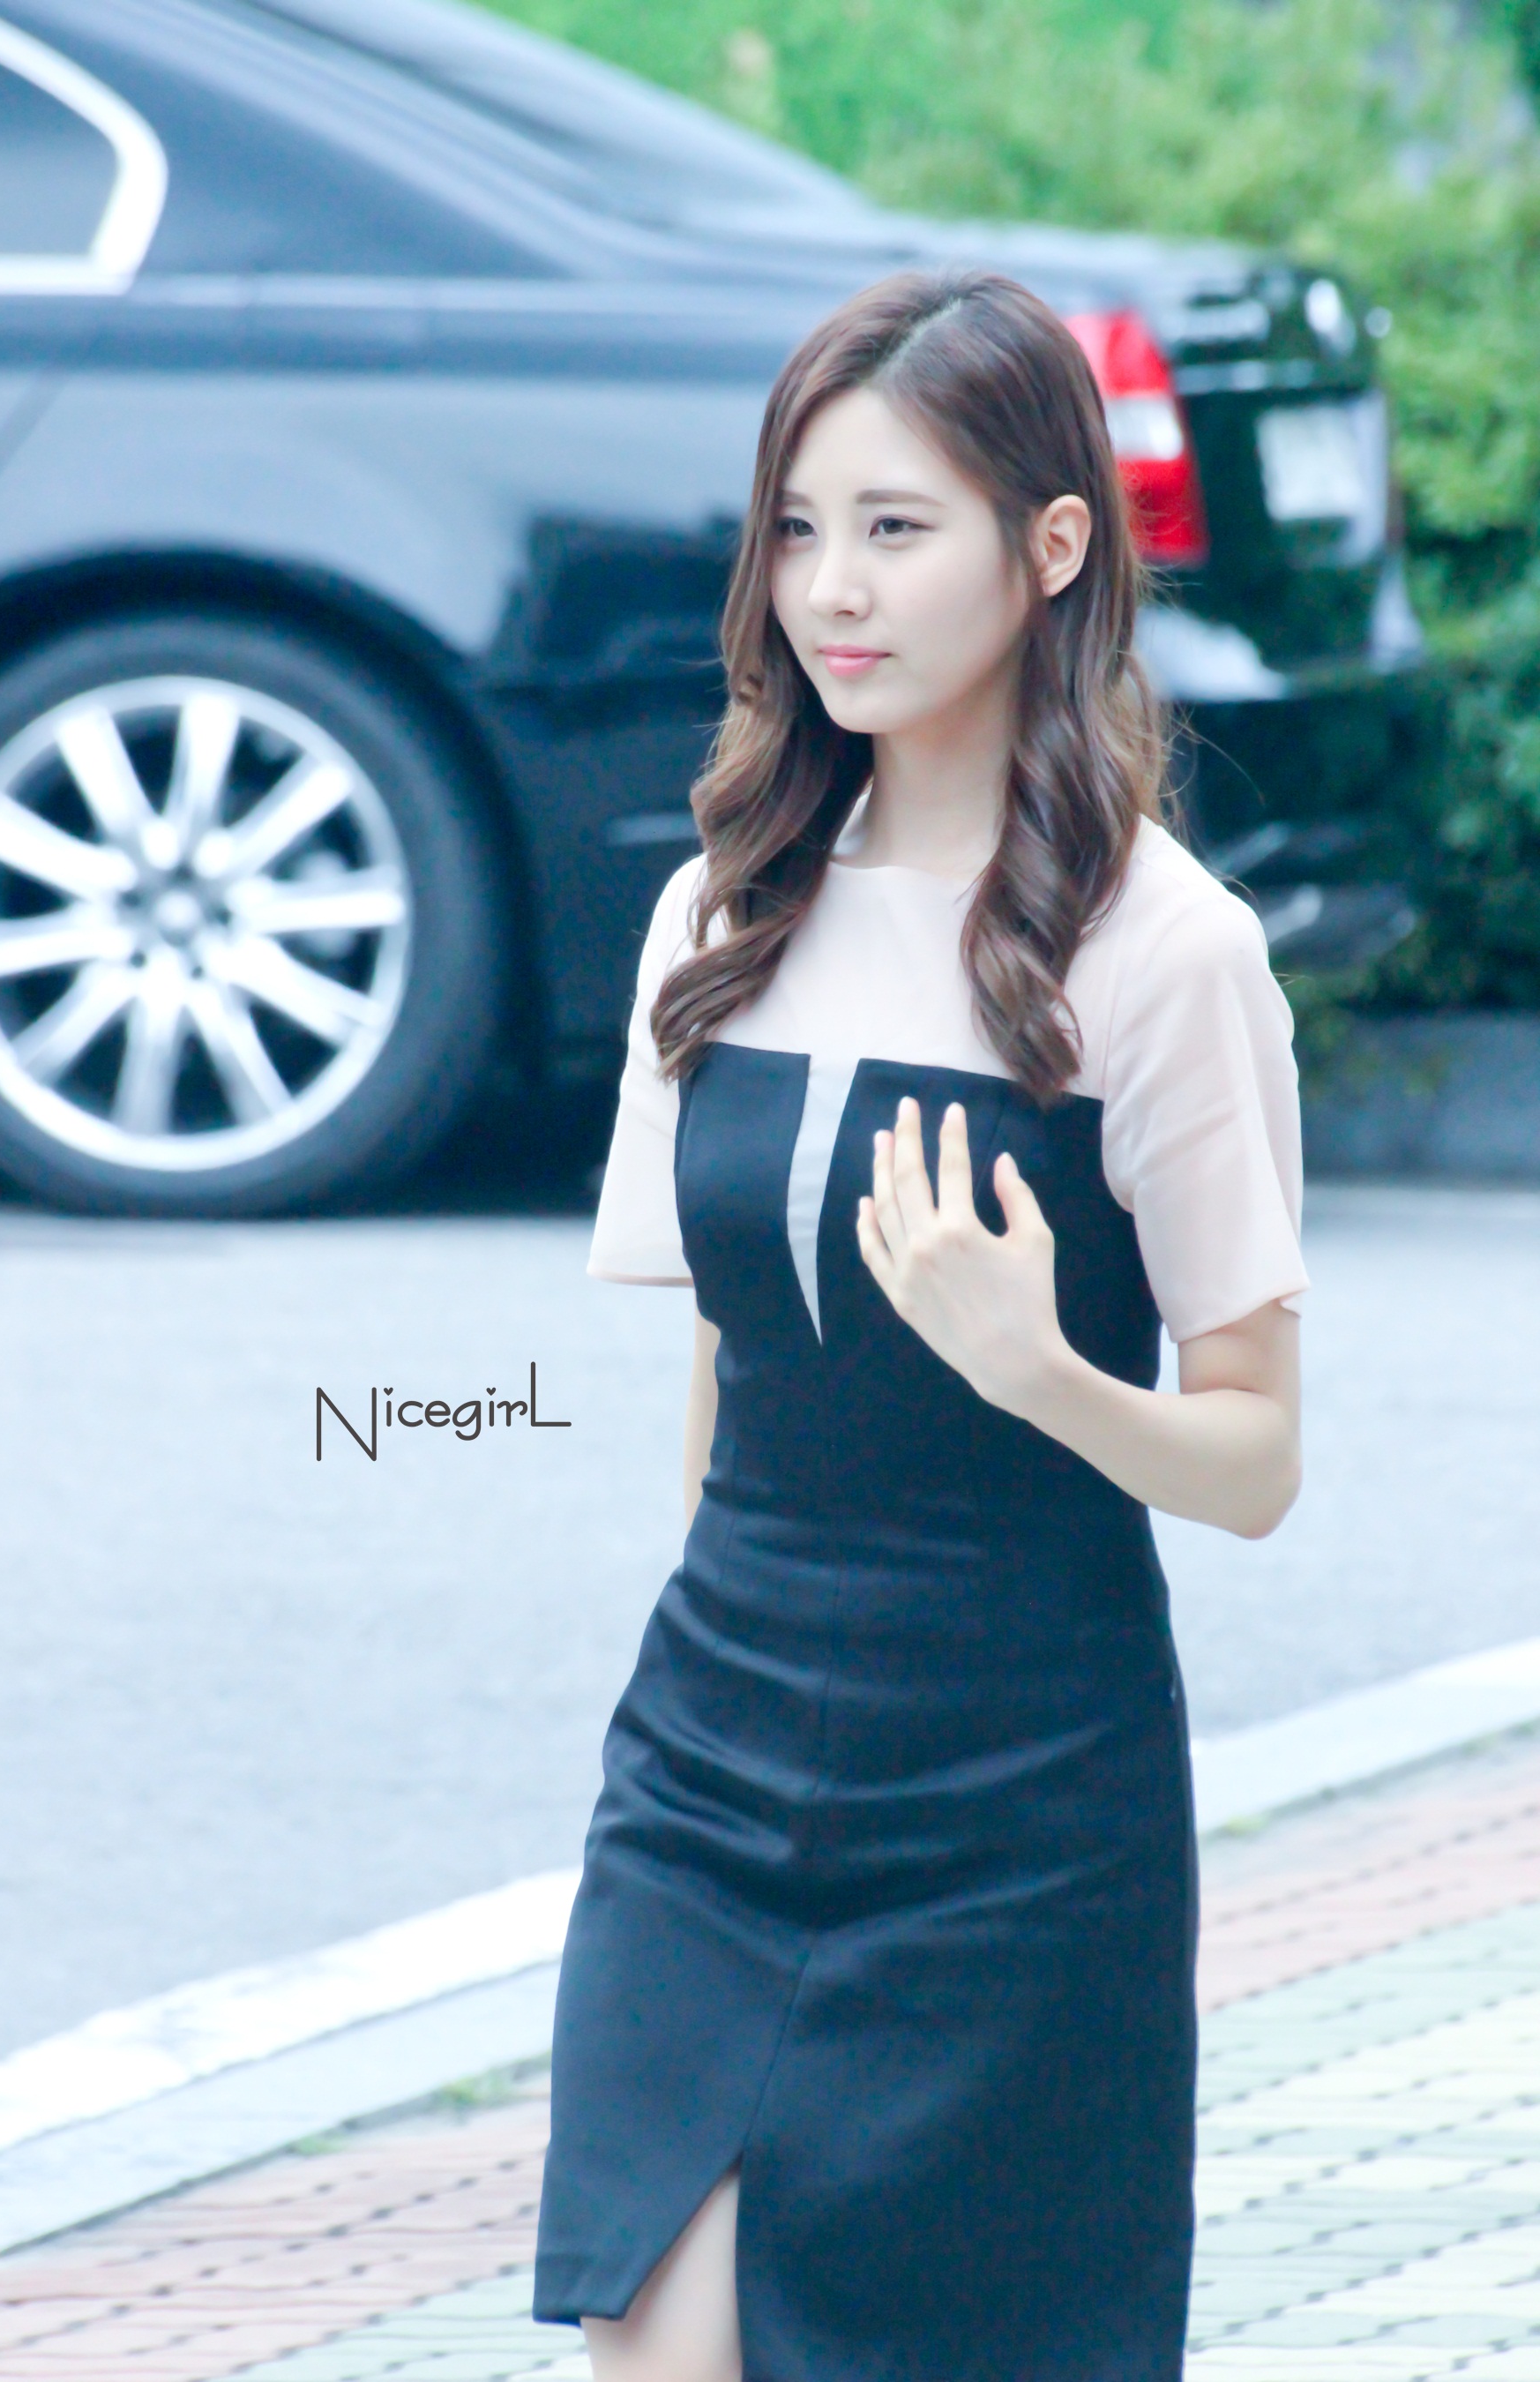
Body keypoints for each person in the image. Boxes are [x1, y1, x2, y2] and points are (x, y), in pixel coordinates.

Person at [533, 268, 1307, 2382]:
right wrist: (717, 1648)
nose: (831, 591)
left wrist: (1039, 1371)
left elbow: (1258, 1457)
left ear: (1050, 546)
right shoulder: (724, 905)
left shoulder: (1164, 954)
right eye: (798, 528)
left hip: (1020, 1802)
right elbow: (725, 1370)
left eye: (895, 528)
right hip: (711, 1761)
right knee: (656, 2334)